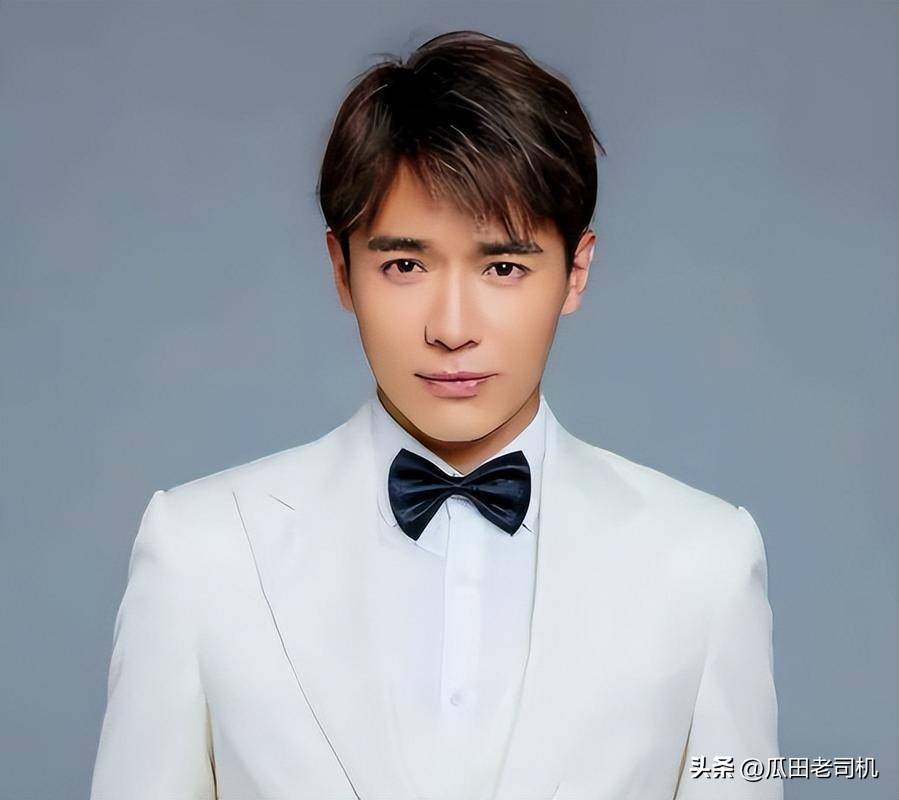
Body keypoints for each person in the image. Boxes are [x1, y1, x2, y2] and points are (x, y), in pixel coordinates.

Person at [90, 30, 782, 800]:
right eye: (404, 265)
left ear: (575, 271)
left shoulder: (705, 562)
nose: (451, 328)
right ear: (341, 270)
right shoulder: (200, 550)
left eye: (502, 266)